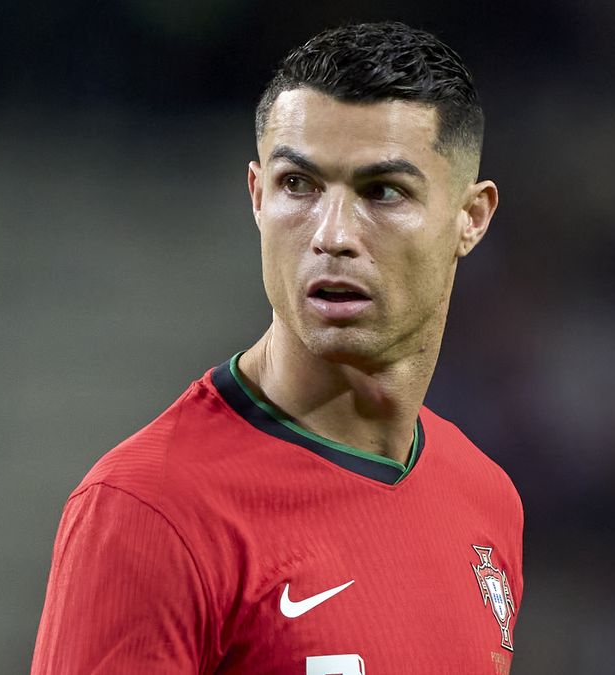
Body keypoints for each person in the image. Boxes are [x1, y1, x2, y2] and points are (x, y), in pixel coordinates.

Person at [31, 21, 522, 674]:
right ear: (257, 196)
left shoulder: (485, 497)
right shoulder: (149, 510)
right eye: (300, 185)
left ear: (472, 217)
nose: (333, 234)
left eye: (382, 191)